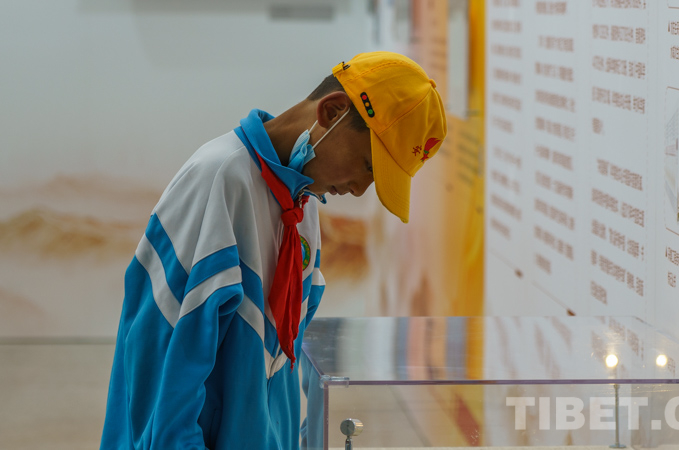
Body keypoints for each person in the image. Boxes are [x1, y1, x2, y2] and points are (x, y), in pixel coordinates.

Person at [100, 51, 447, 449]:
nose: (359, 190)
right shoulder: (217, 181)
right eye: (369, 167)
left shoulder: (302, 205)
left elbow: (280, 361)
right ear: (332, 111)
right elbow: (158, 367)